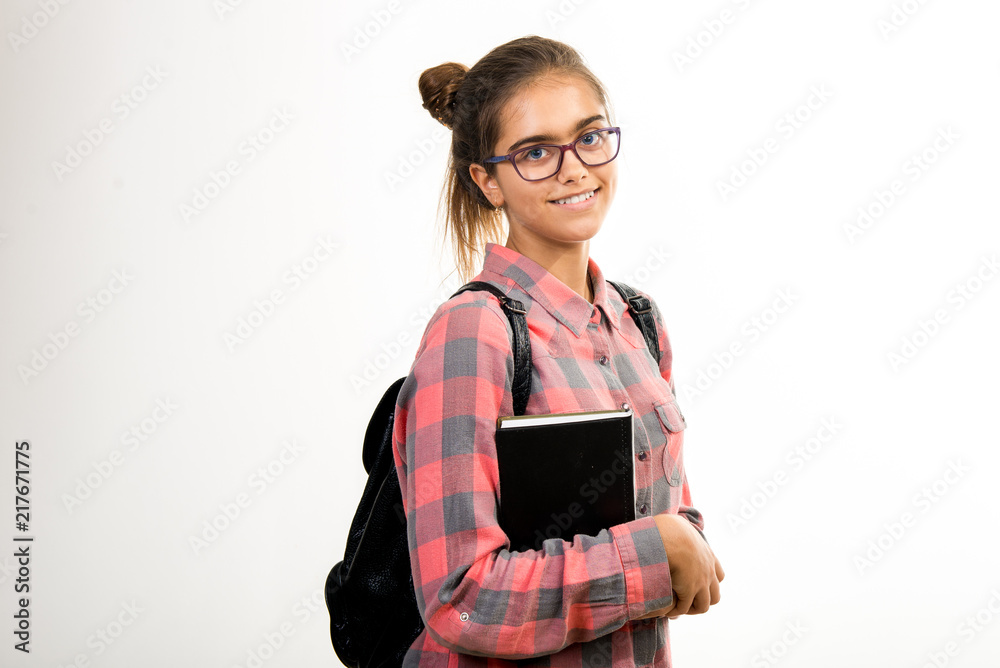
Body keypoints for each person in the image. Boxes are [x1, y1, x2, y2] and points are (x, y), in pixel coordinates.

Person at [391, 35, 724, 667]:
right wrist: (656, 555)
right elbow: (460, 599)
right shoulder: (473, 333)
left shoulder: (639, 320)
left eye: (590, 136)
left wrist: (683, 539)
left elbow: (671, 513)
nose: (574, 168)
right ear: (488, 181)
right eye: (536, 152)